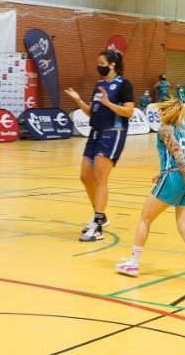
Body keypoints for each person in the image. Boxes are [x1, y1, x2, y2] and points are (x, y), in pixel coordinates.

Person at [115, 98, 185, 285]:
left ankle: (133, 263)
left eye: (161, 110)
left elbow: (178, 155)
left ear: (167, 112)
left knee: (145, 218)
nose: (158, 113)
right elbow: (182, 158)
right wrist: (165, 173)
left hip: (177, 178)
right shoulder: (184, 128)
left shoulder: (165, 128)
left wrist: (184, 183)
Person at [64, 51, 135, 242]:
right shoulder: (99, 85)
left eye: (102, 63)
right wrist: (78, 100)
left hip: (112, 133)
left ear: (112, 64)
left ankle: (97, 225)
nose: (99, 66)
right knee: (85, 176)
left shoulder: (123, 84)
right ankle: (100, 215)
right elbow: (92, 113)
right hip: (95, 133)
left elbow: (129, 112)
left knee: (100, 178)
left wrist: (109, 103)